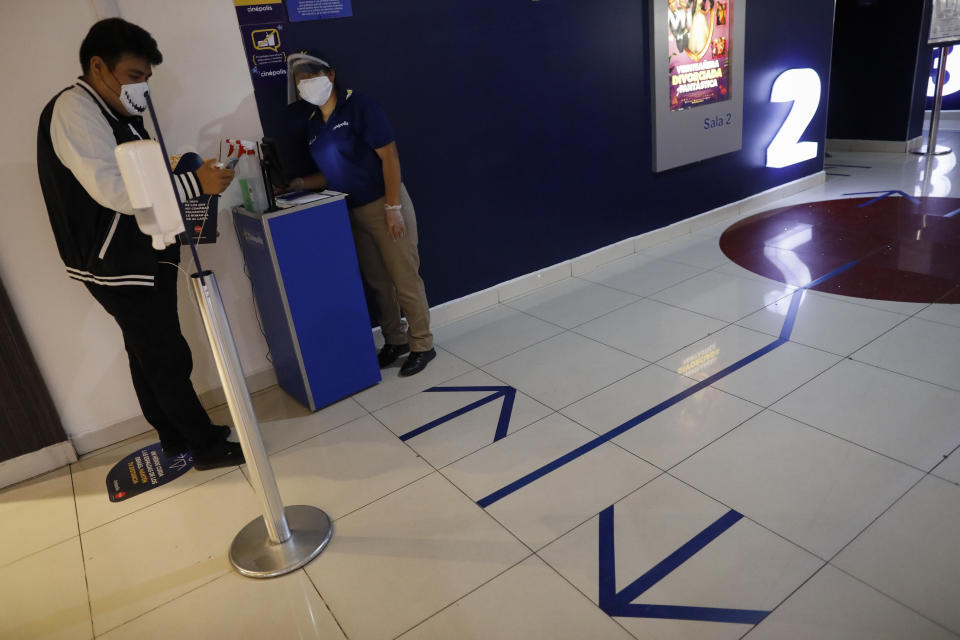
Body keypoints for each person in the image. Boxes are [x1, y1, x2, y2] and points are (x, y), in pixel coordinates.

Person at [36, 18, 244, 470]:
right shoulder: (76, 110)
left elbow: (138, 173)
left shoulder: (115, 114)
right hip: (116, 260)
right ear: (98, 67)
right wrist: (195, 182)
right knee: (166, 353)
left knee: (146, 350)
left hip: (137, 253)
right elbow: (113, 189)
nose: (142, 89)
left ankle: (173, 435)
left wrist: (178, 169)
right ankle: (204, 445)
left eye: (146, 79)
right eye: (133, 76)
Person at [282, 52, 436, 377]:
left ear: (331, 74)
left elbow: (389, 156)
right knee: (379, 283)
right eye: (301, 82)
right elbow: (329, 174)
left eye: (312, 77)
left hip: (384, 205)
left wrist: (393, 207)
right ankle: (395, 340)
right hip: (351, 211)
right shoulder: (313, 126)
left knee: (405, 279)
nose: (308, 86)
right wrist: (298, 183)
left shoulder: (359, 106)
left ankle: (422, 344)